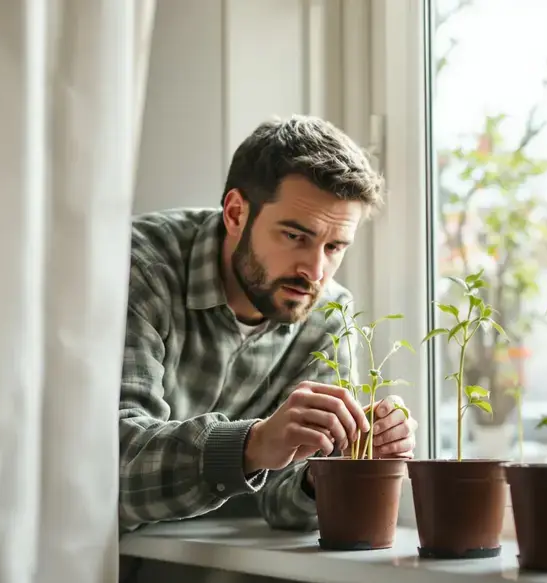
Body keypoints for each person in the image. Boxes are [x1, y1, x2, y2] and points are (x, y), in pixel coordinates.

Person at [120, 115, 419, 533]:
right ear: (235, 213)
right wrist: (253, 445)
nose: (315, 271)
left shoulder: (328, 315)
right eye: (295, 237)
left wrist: (331, 469)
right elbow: (112, 465)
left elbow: (284, 502)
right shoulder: (139, 268)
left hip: (216, 562)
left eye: (334, 247)